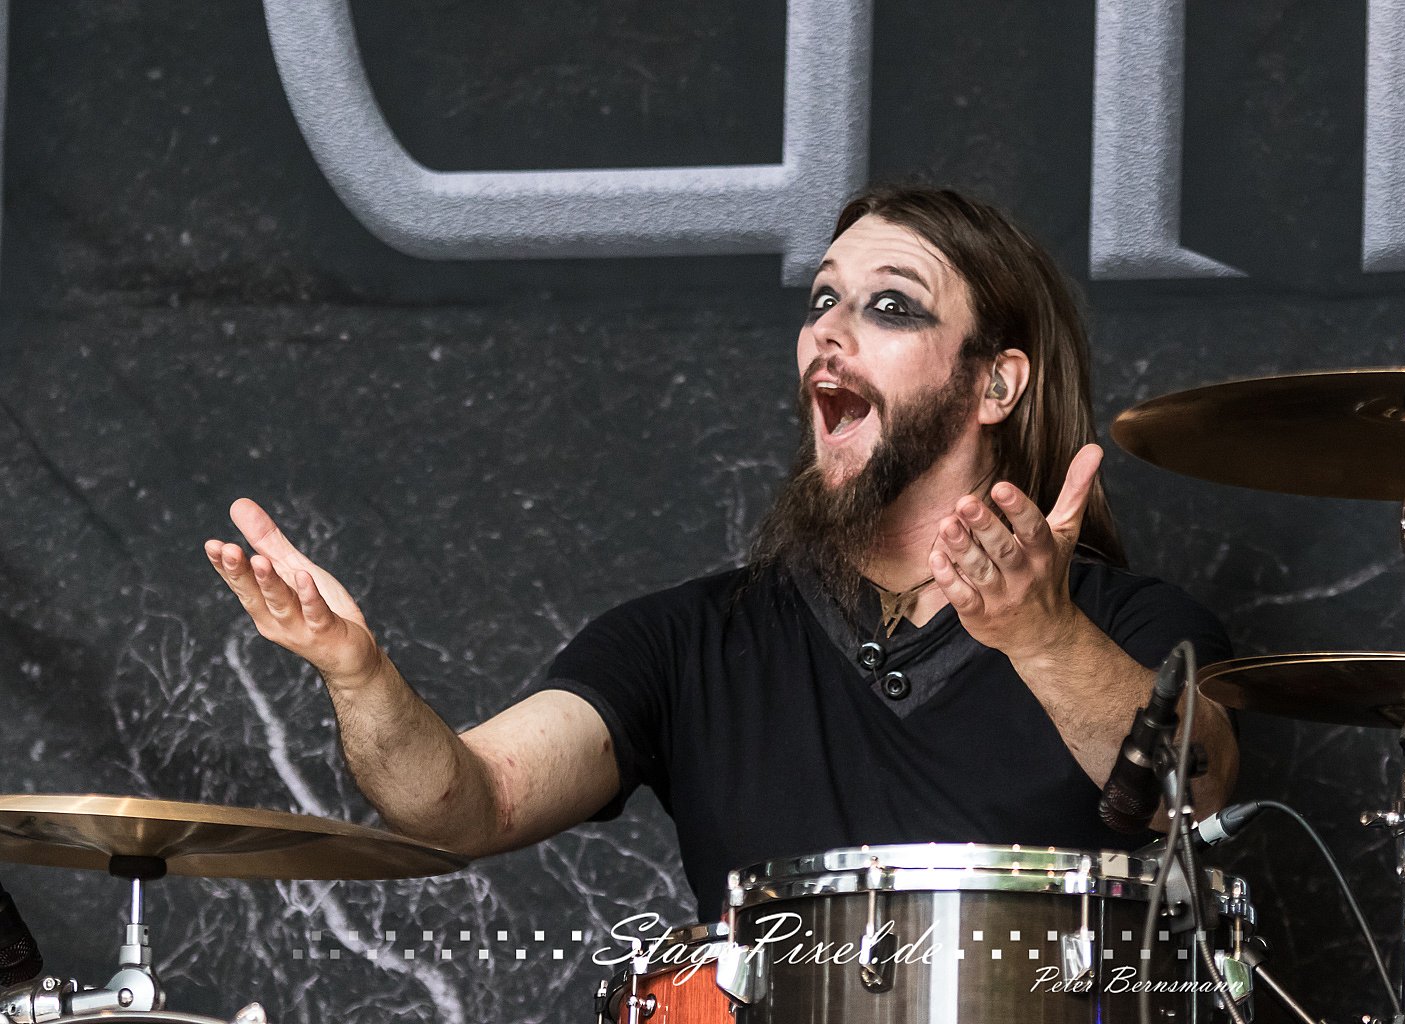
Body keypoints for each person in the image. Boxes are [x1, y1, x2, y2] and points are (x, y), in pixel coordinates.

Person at [204, 185, 1237, 919]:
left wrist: (1045, 638)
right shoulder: (686, 641)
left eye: (890, 306)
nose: (829, 331)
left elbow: (1195, 785)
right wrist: (361, 676)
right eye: (822, 299)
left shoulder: (1136, 624)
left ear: (995, 383)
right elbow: (468, 804)